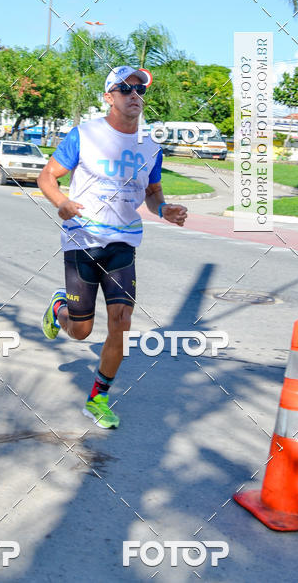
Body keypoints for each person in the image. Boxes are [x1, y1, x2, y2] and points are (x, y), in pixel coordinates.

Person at [38, 66, 188, 428]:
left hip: (123, 241)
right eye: (125, 88)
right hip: (83, 240)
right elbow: (47, 176)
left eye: (140, 90)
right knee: (81, 332)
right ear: (109, 97)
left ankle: (98, 398)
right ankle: (60, 308)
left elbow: (152, 194)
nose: (134, 94)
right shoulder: (85, 135)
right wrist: (61, 202)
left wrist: (164, 209)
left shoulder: (151, 147)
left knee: (121, 322)